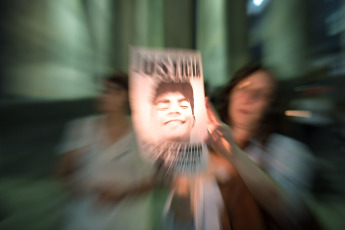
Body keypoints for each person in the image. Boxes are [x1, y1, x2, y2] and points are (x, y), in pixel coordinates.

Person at [206, 62, 320, 230]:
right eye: (243, 87)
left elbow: (287, 208)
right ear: (230, 92)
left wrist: (232, 150)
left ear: (270, 106)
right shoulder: (203, 147)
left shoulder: (289, 149)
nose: (249, 98)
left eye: (261, 94)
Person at [55, 73, 156, 230]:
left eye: (113, 90)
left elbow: (152, 180)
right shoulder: (81, 128)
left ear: (128, 97)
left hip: (128, 219)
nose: (104, 95)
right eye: (103, 90)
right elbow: (61, 172)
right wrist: (74, 185)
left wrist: (123, 194)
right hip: (87, 217)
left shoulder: (143, 134)